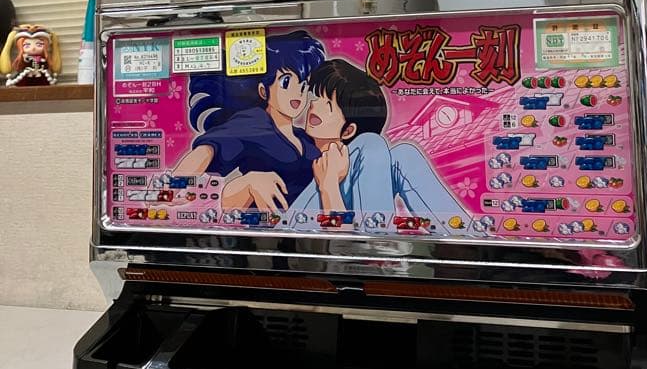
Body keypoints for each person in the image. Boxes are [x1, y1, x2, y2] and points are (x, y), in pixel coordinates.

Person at [287, 58, 467, 226]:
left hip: (338, 213)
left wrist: (331, 180)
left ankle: (460, 230)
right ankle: (376, 229)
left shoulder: (354, 163)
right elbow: (334, 231)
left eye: (328, 105)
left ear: (349, 130)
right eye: (316, 97)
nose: (314, 106)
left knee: (405, 153)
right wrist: (328, 184)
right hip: (299, 221)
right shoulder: (295, 143)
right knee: (371, 142)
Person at [174, 30, 324, 209]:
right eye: (286, 82)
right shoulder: (254, 122)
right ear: (263, 90)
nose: (297, 92)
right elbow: (208, 149)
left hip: (303, 219)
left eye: (304, 85)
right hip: (260, 220)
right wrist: (175, 185)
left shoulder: (303, 138)